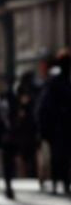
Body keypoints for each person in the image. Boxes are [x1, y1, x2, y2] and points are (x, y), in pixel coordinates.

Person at [37, 58, 71, 197]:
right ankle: (61, 182)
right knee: (60, 156)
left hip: (60, 126)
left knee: (60, 156)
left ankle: (61, 182)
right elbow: (45, 107)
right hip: (59, 126)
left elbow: (43, 107)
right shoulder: (57, 83)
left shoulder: (55, 82)